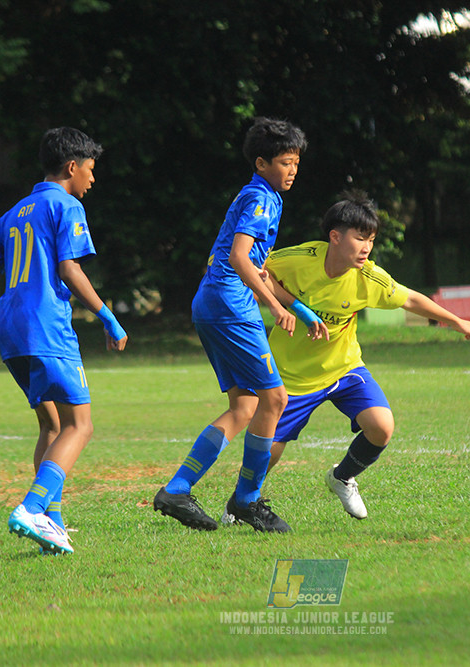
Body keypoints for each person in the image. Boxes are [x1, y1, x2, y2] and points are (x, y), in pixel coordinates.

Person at [237, 190, 470, 522]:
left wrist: (455, 321)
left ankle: (342, 477)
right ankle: (241, 503)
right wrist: (284, 303)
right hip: (293, 375)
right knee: (269, 451)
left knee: (381, 427)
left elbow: (410, 299)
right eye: (360, 238)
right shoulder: (299, 259)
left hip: (345, 368)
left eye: (371, 240)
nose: (367, 247)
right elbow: (253, 268)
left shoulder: (368, 277)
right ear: (335, 237)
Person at [0, 127, 128, 554]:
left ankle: (51, 524)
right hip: (46, 326)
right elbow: (70, 270)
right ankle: (33, 508)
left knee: (52, 425)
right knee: (80, 425)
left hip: (10, 329)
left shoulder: (13, 213)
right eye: (90, 169)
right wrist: (108, 317)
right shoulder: (66, 205)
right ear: (72, 166)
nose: (92, 178)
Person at [153, 117, 321, 533]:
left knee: (245, 406)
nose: (292, 170)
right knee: (275, 399)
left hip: (211, 302)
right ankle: (246, 500)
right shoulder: (260, 198)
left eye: (296, 163)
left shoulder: (262, 196)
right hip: (230, 305)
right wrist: (274, 308)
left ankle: (177, 489)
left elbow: (258, 269)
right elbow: (240, 258)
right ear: (261, 163)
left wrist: (300, 311)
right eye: (285, 162)